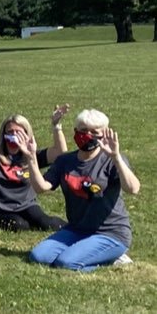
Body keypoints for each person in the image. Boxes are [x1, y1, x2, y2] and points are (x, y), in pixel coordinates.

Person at [27, 110, 140, 272]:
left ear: (104, 135)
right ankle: (89, 252)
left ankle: (114, 258)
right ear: (75, 131)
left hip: (111, 233)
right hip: (77, 229)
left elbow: (133, 188)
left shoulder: (110, 160)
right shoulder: (65, 161)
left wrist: (115, 157)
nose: (87, 135)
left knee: (66, 264)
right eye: (83, 130)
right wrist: (31, 158)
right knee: (38, 257)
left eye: (94, 132)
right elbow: (41, 187)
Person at [0, 98, 68, 231]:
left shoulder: (31, 155)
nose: (14, 136)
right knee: (20, 225)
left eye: (18, 132)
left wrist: (56, 126)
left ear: (27, 135)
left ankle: (76, 229)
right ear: (3, 135)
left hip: (27, 206)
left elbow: (60, 153)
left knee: (47, 223)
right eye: (10, 132)